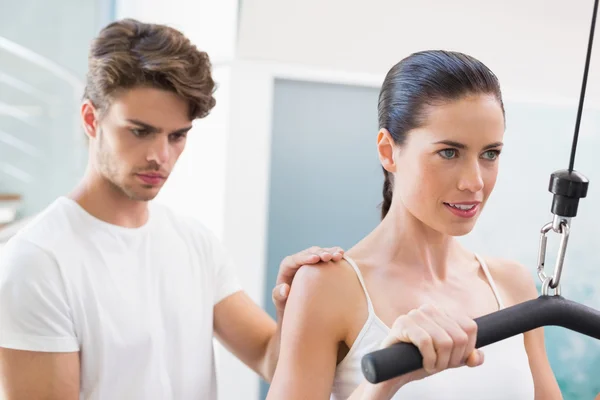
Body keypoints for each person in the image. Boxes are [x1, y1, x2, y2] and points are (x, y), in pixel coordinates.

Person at [0, 19, 344, 400]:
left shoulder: (195, 242)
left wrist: (293, 308)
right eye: (139, 131)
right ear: (89, 119)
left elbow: (270, 358)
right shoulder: (36, 261)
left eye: (177, 136)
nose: (160, 156)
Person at [266, 50, 563, 400]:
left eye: (490, 154)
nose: (475, 182)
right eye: (449, 152)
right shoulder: (326, 287)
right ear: (389, 151)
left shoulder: (512, 284)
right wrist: (384, 384)